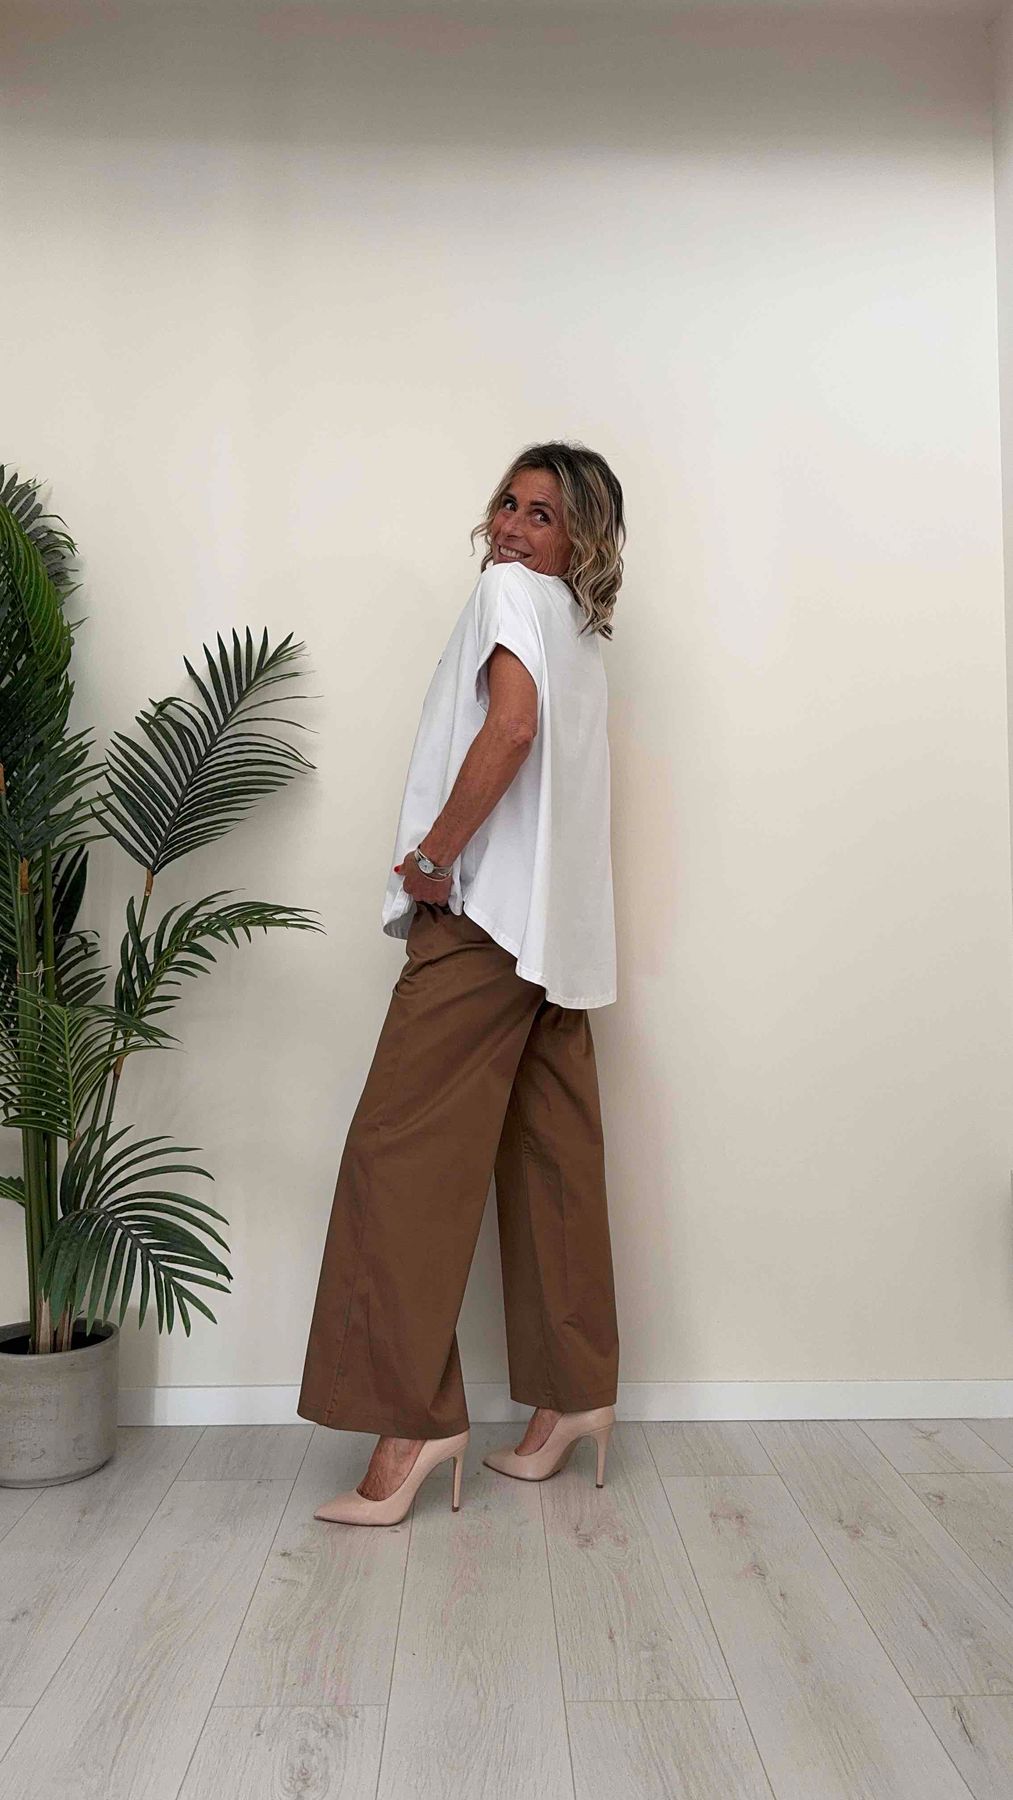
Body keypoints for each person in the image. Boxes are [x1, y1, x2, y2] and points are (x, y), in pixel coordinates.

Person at [297, 440, 625, 1525]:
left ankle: (414, 1422)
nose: (513, 528)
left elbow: (511, 729)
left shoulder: (506, 596)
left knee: (393, 1153)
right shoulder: (579, 631)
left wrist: (433, 857)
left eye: (543, 514)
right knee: (551, 1160)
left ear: (581, 540)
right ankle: (572, 1397)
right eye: (507, 504)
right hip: (558, 941)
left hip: (485, 922)